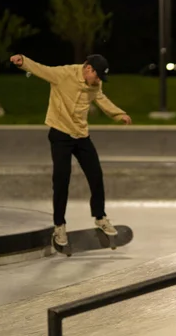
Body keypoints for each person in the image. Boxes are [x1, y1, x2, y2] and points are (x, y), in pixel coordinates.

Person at [10, 53, 132, 246]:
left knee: (96, 175)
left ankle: (100, 217)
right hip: (60, 135)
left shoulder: (95, 84)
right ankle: (59, 225)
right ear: (88, 69)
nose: (98, 81)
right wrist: (23, 62)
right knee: (61, 180)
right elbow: (41, 69)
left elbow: (101, 99)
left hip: (81, 136)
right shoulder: (63, 74)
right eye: (97, 76)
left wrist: (119, 114)